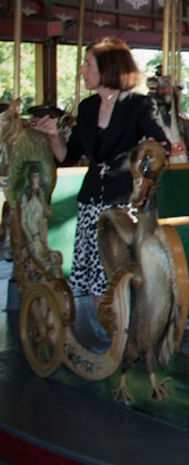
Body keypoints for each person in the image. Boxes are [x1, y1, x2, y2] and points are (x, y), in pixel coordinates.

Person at [33, 38, 168, 300]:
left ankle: (125, 336)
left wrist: (150, 161)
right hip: (91, 201)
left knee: (121, 276)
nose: (82, 70)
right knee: (98, 283)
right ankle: (111, 338)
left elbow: (160, 144)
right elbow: (69, 156)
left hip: (122, 203)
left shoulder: (138, 105)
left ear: (107, 67)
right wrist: (52, 136)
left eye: (87, 63)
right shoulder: (87, 107)